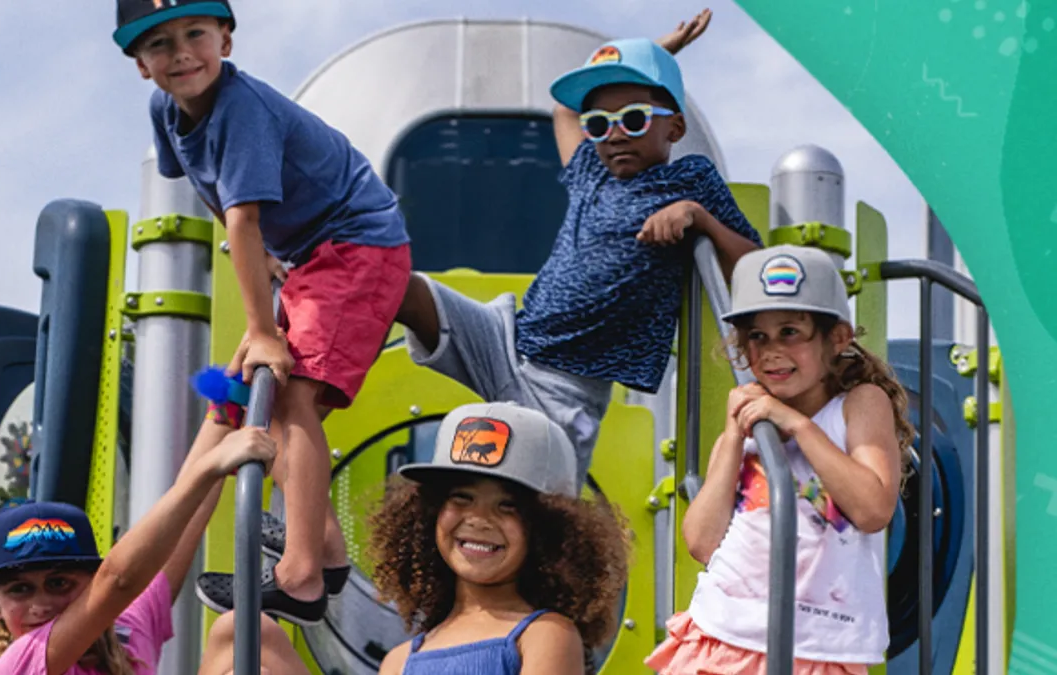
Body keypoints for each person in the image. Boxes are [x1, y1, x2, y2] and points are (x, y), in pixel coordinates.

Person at [113, 0, 411, 625]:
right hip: (309, 255)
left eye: (196, 33)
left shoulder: (241, 109)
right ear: (141, 65)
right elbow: (213, 192)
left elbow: (245, 218)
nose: (182, 53)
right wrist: (268, 264)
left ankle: (301, 576)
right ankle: (324, 550)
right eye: (160, 44)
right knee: (248, 395)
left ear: (226, 36)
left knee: (293, 395)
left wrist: (261, 329)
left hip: (356, 244)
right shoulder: (165, 109)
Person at [394, 10, 763, 489]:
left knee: (538, 516)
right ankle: (306, 398)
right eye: (600, 122)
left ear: (673, 128)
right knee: (397, 287)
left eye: (632, 119)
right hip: (508, 338)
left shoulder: (689, 180)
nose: (612, 134)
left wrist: (698, 215)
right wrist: (652, 54)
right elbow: (563, 110)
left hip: (567, 391)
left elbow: (753, 265)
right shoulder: (591, 169)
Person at [645, 245, 915, 674]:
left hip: (823, 643)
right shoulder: (752, 427)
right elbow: (700, 542)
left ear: (838, 339)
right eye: (757, 336)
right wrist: (734, 436)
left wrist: (797, 425)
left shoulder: (858, 404)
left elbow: (873, 509)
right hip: (723, 633)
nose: (771, 351)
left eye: (790, 331)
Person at [0, 415, 276, 675]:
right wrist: (210, 466)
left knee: (247, 631)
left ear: (90, 584)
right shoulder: (18, 664)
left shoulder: (127, 630)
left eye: (59, 583)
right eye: (20, 589)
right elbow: (119, 581)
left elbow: (181, 525)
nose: (42, 604)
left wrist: (229, 394)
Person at [368, 402, 631, 675]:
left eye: (509, 505)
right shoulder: (398, 662)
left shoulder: (546, 636)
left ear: (548, 528)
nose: (478, 519)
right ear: (430, 512)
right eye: (461, 497)